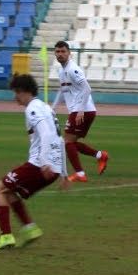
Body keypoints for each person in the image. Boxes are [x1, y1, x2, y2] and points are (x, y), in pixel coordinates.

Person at [0, 74, 67, 251]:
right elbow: (59, 139)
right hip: (52, 168)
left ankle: (6, 236)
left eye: (15, 92)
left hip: (39, 165)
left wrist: (45, 162)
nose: (14, 97)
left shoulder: (32, 109)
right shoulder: (46, 108)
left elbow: (46, 134)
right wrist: (62, 172)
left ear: (23, 91)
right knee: (9, 193)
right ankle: (30, 229)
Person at [52, 40, 109, 182]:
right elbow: (63, 90)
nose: (60, 54)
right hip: (80, 110)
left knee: (67, 142)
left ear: (69, 53)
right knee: (71, 143)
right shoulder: (62, 71)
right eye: (57, 52)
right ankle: (100, 155)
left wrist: (81, 110)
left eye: (63, 51)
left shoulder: (73, 69)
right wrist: (52, 108)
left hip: (83, 110)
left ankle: (80, 174)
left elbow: (87, 89)